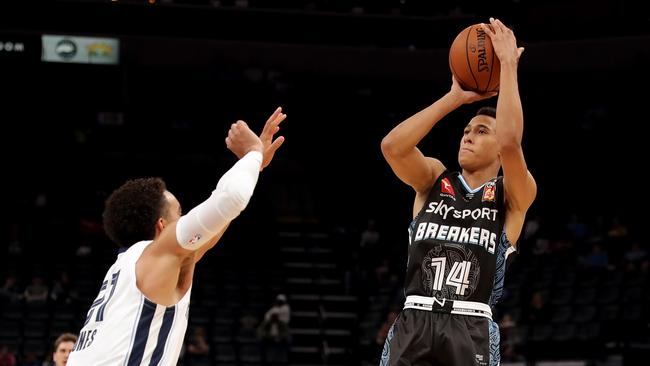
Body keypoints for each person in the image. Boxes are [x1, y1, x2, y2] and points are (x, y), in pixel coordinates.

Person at [67, 107, 287, 365]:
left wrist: (252, 166)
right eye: (180, 213)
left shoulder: (130, 267)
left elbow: (217, 222)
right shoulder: (155, 255)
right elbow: (231, 198)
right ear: (162, 226)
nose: (186, 221)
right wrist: (252, 153)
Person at [378, 18, 536, 366]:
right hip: (414, 317)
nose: (468, 135)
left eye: (480, 131)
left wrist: (508, 65)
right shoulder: (434, 178)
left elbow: (511, 141)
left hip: (471, 324)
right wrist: (454, 98)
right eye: (466, 129)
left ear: (498, 152)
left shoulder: (512, 193)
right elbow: (392, 147)